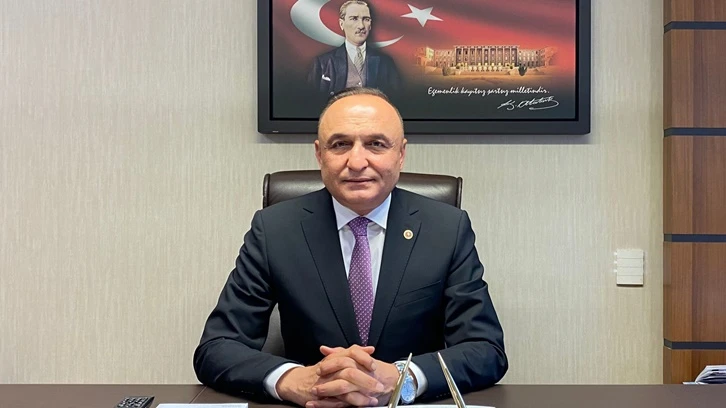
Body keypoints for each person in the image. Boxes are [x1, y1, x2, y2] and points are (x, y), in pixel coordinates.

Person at [193, 87, 507, 408]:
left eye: (376, 144)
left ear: (401, 154)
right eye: (340, 144)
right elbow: (216, 347)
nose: (357, 162)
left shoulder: (446, 229)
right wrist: (292, 380)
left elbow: (485, 349)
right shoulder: (274, 230)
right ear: (320, 154)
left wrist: (403, 378)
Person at [307, 1, 402, 96]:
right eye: (354, 18)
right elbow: (312, 100)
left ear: (370, 25)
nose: (361, 26)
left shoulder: (385, 63)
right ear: (341, 24)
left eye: (366, 19)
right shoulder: (323, 63)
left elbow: (394, 99)